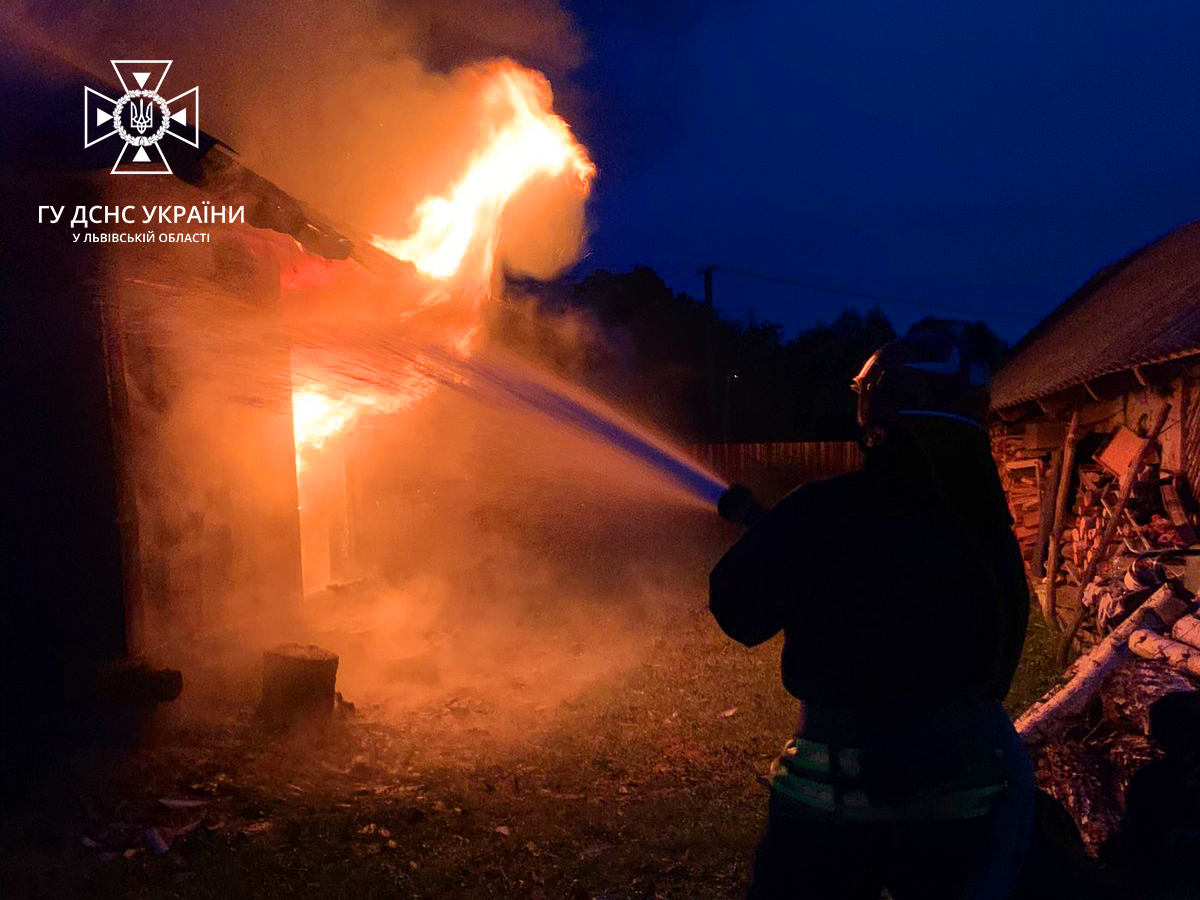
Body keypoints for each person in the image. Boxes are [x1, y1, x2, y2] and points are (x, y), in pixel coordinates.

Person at [711, 331, 1035, 900]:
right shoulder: (989, 532)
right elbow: (999, 664)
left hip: (828, 803)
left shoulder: (821, 510)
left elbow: (739, 611)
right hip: (964, 802)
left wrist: (786, 544)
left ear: (873, 410)